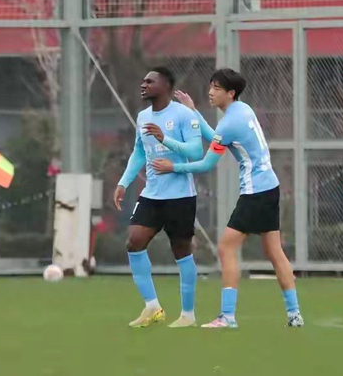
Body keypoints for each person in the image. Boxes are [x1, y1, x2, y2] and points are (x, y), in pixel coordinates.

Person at [152, 68, 304, 328]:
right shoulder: (243, 110)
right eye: (211, 86)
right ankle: (294, 314)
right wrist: (194, 112)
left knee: (226, 248)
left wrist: (173, 167)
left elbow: (206, 163)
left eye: (217, 88)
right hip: (270, 187)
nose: (210, 92)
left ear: (231, 93)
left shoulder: (230, 122)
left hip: (256, 192)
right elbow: (218, 138)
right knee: (274, 251)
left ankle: (228, 317)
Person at [114, 67, 203, 328]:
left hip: (180, 196)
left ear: (166, 86)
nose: (143, 85)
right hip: (152, 195)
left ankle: (188, 315)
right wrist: (123, 182)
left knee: (181, 250)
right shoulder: (143, 117)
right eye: (143, 81)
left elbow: (196, 152)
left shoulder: (184, 115)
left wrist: (165, 139)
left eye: (150, 81)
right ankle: (152, 307)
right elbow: (139, 152)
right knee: (134, 242)